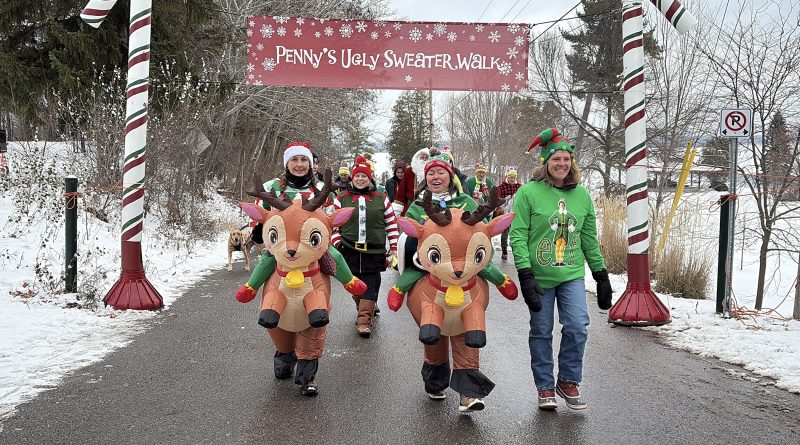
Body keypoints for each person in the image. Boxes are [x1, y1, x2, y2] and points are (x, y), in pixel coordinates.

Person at [509, 128, 613, 411]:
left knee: (578, 326)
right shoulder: (528, 193)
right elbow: (518, 235)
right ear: (546, 162)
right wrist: (525, 275)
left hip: (571, 275)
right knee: (541, 331)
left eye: (567, 159)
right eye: (556, 158)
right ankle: (545, 387)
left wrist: (601, 275)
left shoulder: (582, 196)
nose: (562, 164)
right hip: (539, 277)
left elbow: (589, 238)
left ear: (572, 163)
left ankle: (567, 381)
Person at [387, 153, 518, 309]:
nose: (435, 177)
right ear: (426, 177)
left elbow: (483, 230)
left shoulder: (466, 201)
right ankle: (399, 290)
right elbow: (407, 232)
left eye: (440, 172)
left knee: (484, 266)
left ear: (450, 176)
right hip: (433, 260)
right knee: (416, 268)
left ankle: (502, 281)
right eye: (431, 173)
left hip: (464, 257)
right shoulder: (418, 205)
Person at [241, 141, 368, 301]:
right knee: (267, 260)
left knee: (334, 255)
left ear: (310, 163)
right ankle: (250, 288)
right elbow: (259, 213)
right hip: (283, 244)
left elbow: (330, 216)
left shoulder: (323, 188)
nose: (299, 164)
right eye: (294, 159)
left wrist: (327, 236)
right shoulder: (271, 187)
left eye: (304, 159)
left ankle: (350, 282)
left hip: (312, 244)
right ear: (287, 163)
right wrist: (260, 229)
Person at [331, 156, 399, 337]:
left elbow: (391, 223)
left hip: (374, 249)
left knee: (370, 282)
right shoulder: (341, 198)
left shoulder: (381, 198)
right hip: (349, 247)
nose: (360, 179)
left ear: (370, 178)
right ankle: (365, 306)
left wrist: (394, 247)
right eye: (357, 176)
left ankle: (363, 320)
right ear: (352, 178)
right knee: (353, 282)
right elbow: (332, 224)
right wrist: (337, 242)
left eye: (364, 176)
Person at [392, 148, 429, 216]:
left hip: (429, 207)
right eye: (422, 157)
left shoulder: (432, 172)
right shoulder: (409, 171)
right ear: (417, 158)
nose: (424, 160)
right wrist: (397, 210)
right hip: (411, 206)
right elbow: (401, 191)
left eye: (426, 157)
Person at [497, 166, 521, 260]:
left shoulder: (519, 186)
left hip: (516, 213)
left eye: (514, 177)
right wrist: (504, 201)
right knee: (505, 233)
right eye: (511, 177)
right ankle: (504, 251)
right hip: (505, 213)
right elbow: (498, 199)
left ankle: (517, 252)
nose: (512, 179)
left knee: (516, 233)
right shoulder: (502, 187)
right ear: (507, 177)